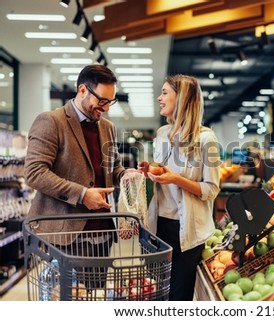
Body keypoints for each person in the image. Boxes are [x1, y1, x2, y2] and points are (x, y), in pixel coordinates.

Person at [24, 64, 135, 289]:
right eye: (102, 100)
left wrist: (126, 175)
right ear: (83, 90)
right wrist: (82, 194)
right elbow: (34, 173)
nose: (106, 108)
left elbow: (111, 169)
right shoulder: (51, 121)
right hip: (66, 236)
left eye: (110, 102)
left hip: (102, 234)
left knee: (96, 299)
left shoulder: (108, 128)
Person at [139, 74, 221, 301]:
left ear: (182, 97)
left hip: (188, 230)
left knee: (178, 296)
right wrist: (151, 171)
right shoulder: (162, 134)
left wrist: (176, 179)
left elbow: (211, 190)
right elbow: (162, 170)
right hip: (159, 226)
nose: (159, 98)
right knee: (157, 294)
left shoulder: (206, 139)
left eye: (165, 92)